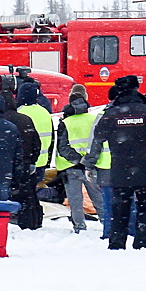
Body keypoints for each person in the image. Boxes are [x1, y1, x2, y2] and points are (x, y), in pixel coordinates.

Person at [84, 75, 146, 250]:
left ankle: (117, 243)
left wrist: (90, 162)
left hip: (120, 170)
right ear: (136, 88)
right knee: (145, 208)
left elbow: (98, 137)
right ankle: (141, 242)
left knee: (119, 210)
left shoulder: (110, 114)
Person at [55, 90, 104, 233]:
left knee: (75, 200)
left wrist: (77, 159)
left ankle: (79, 227)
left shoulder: (65, 122)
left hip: (71, 167)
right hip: (91, 166)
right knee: (98, 198)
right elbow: (99, 142)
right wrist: (87, 160)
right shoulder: (94, 119)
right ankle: (107, 223)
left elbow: (63, 147)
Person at [0, 91, 43, 230]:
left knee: (2, 195)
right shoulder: (25, 119)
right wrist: (32, 160)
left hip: (5, 164)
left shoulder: (1, 121)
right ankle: (30, 221)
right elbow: (37, 142)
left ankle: (2, 222)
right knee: (28, 195)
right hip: (24, 163)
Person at [17, 82, 54, 183]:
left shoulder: (20, 112)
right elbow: (52, 138)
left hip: (26, 162)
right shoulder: (45, 112)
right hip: (42, 160)